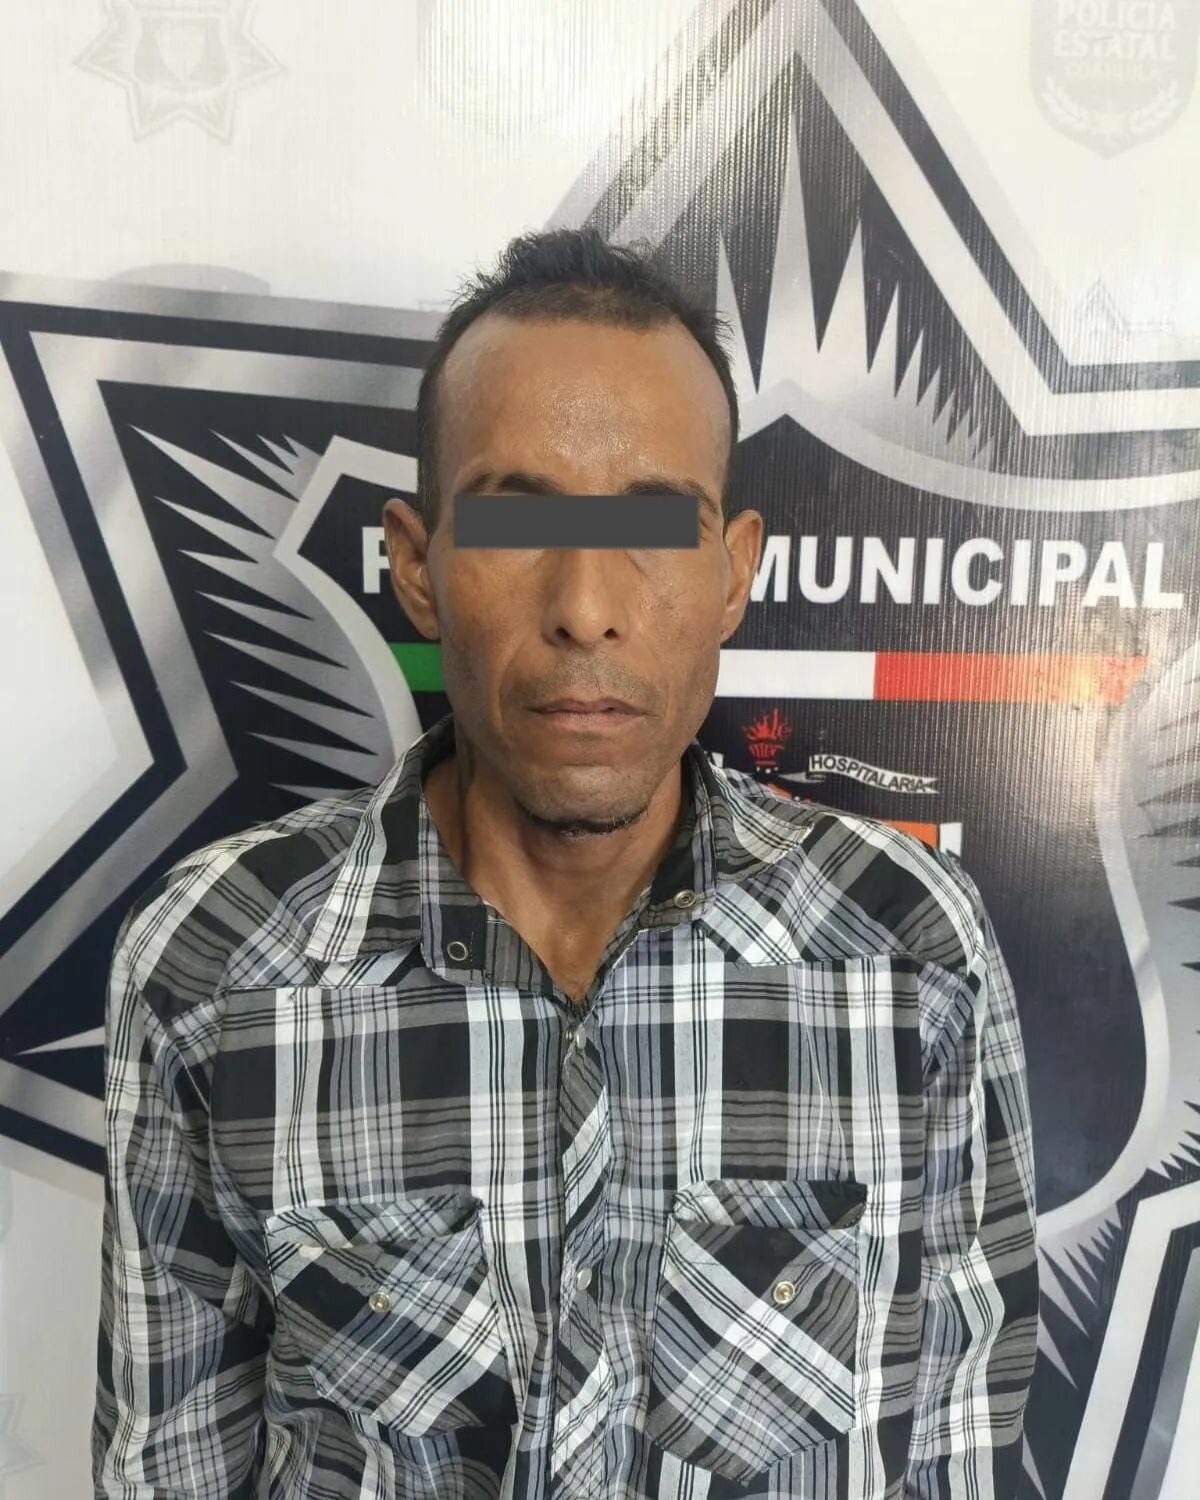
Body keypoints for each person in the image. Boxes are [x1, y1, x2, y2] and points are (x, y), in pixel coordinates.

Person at [92, 225, 1038, 1499]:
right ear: (417, 567)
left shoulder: (907, 948)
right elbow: (170, 1467)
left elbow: (962, 1445)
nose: (586, 607)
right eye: (516, 522)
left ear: (733, 574)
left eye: (653, 524)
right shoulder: (214, 964)